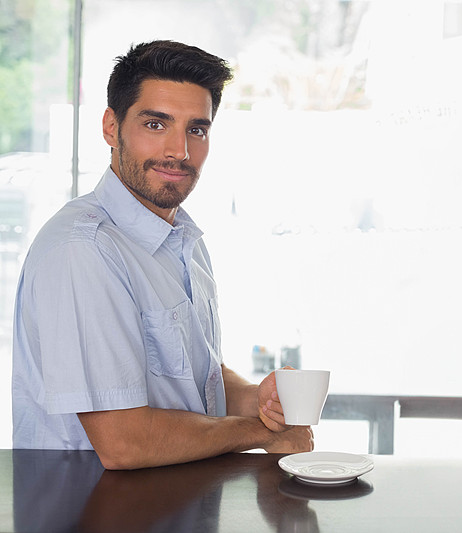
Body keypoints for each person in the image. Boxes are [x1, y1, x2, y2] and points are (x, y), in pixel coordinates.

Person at [11, 40, 313, 469]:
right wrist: (264, 432)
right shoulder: (84, 251)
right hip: (90, 512)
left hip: (173, 505)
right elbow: (124, 443)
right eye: (156, 124)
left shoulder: (182, 237)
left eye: (196, 129)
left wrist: (259, 400)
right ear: (111, 127)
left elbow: (191, 377)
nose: (179, 151)